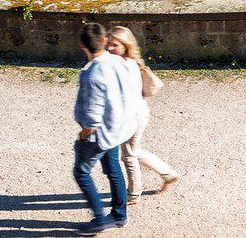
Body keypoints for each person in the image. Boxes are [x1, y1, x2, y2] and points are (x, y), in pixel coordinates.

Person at [73, 21, 138, 233]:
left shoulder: (92, 74)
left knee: (81, 172)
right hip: (119, 128)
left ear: (83, 47)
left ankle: (100, 219)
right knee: (113, 170)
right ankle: (120, 216)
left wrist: (83, 136)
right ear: (104, 41)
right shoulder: (119, 62)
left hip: (101, 134)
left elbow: (92, 119)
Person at [108, 25, 181, 198]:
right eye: (108, 44)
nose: (110, 48)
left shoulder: (122, 66)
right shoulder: (131, 63)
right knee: (133, 150)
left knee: (128, 156)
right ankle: (167, 173)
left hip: (131, 116)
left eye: (115, 45)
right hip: (140, 113)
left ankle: (133, 194)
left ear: (125, 45)